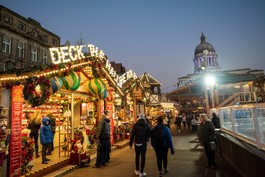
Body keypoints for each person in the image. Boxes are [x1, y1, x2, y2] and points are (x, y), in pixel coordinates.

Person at [130, 113, 151, 177]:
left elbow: (132, 135)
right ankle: (141, 172)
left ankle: (137, 170)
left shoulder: (135, 125)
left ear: (138, 117)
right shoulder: (146, 125)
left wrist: (130, 144)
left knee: (137, 156)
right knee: (143, 157)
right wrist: (147, 138)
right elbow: (149, 133)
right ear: (144, 117)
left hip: (136, 142)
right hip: (143, 143)